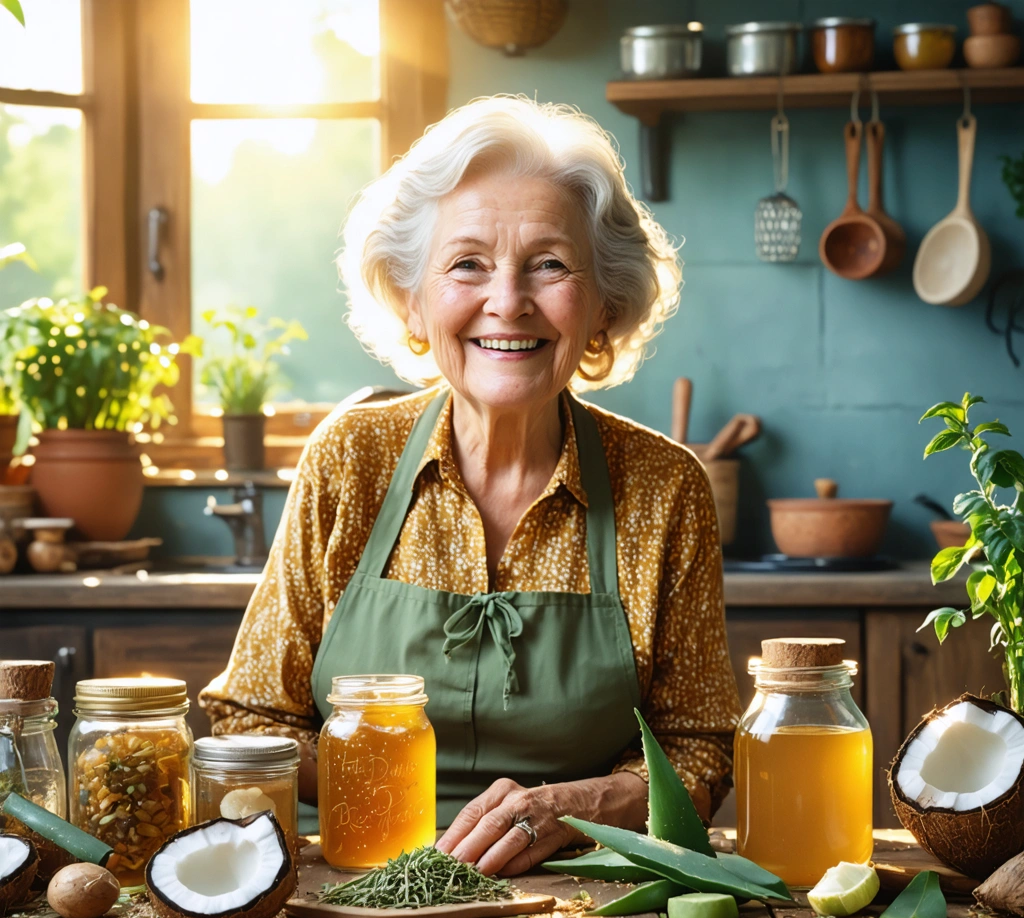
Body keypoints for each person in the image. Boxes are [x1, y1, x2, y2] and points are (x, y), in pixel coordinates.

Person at [200, 95, 741, 876]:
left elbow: (699, 752)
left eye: (550, 264)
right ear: (414, 301)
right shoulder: (350, 461)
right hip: (349, 881)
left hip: (571, 888)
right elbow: (247, 721)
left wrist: (567, 809)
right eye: (467, 264)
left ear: (602, 307)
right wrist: (386, 796)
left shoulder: (665, 488)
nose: (508, 300)